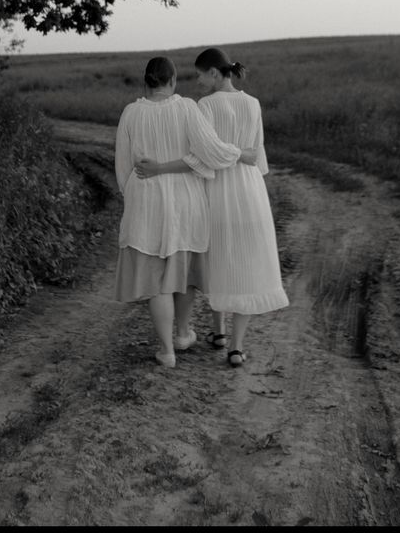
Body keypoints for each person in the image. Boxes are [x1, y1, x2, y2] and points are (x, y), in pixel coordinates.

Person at [135, 48, 289, 367]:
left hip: (216, 190)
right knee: (244, 265)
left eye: (201, 75)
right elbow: (257, 159)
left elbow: (199, 158)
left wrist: (161, 168)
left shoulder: (204, 106)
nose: (198, 81)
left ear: (216, 74)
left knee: (218, 262)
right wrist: (248, 174)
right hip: (250, 190)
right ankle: (235, 346)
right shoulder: (253, 104)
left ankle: (217, 330)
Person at [114, 56, 258, 369]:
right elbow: (211, 151)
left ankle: (167, 351)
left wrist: (132, 197)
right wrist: (241, 153)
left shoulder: (130, 112)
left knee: (155, 281)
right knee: (183, 275)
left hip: (145, 199)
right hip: (185, 202)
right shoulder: (186, 108)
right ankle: (182, 333)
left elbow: (123, 167)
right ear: (173, 80)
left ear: (147, 81)